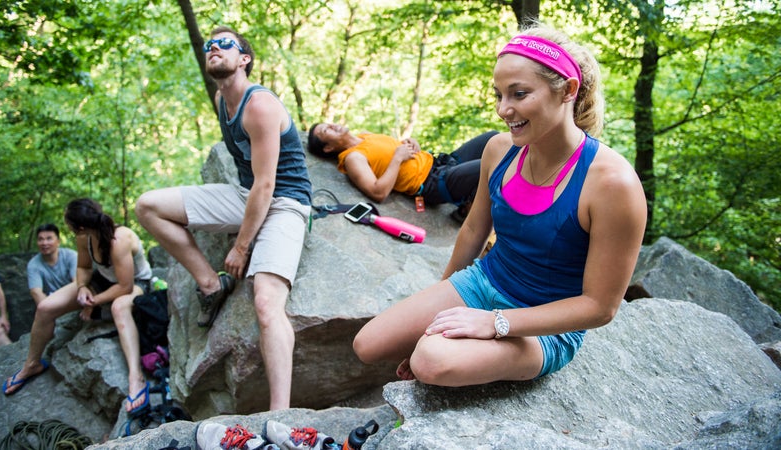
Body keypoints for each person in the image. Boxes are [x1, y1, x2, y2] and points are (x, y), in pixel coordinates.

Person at [353, 24, 647, 386]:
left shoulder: (613, 184)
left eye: (519, 94)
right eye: (499, 95)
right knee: (367, 344)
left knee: (430, 360)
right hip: (485, 281)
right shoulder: (499, 150)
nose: (503, 110)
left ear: (568, 90)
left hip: (546, 325)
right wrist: (441, 317)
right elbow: (475, 229)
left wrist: (494, 323)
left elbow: (600, 307)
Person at [135, 25, 312, 411]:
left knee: (266, 304)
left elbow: (267, 186)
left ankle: (279, 414)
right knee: (147, 206)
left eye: (224, 44)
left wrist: (241, 246)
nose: (213, 48)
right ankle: (210, 284)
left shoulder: (260, 105)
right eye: (208, 46)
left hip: (284, 202)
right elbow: (252, 186)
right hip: (245, 197)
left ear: (244, 58)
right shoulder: (221, 100)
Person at [3, 198, 154, 418]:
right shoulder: (85, 236)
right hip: (101, 280)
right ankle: (32, 364)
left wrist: (94, 301)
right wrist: (83, 287)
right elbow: (83, 267)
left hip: (137, 284)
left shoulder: (119, 239)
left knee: (119, 309)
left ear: (81, 226)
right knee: (45, 307)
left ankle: (136, 378)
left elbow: (125, 286)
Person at [308, 123, 499, 222]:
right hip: (435, 183)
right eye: (327, 130)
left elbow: (394, 150)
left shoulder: (365, 135)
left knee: (494, 139)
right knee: (493, 164)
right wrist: (398, 157)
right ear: (327, 148)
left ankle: (470, 197)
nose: (333, 125)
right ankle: (466, 209)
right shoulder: (353, 158)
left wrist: (410, 143)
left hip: (441, 162)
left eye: (329, 123)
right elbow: (378, 193)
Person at [27, 223, 78, 304]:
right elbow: (36, 292)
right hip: (50, 304)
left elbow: (78, 284)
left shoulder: (71, 256)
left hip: (74, 300)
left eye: (49, 239)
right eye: (40, 239)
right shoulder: (33, 264)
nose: (44, 243)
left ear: (58, 241)